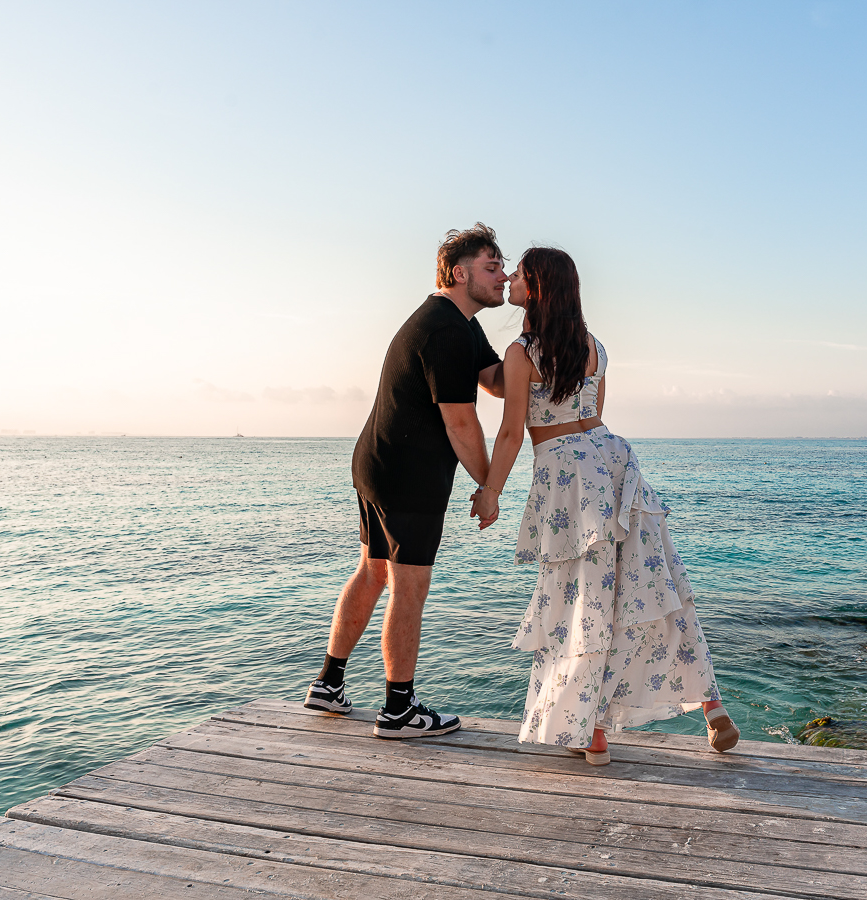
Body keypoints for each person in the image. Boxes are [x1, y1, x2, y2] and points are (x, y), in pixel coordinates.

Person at [472, 247, 738, 764]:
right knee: (652, 583)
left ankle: (591, 732)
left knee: (583, 599)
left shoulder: (522, 351)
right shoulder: (594, 348)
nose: (511, 282)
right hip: (614, 460)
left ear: (540, 288)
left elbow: (510, 431)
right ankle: (711, 702)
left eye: (520, 275)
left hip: (567, 475)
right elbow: (590, 412)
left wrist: (491, 491)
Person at [304, 223, 508, 738]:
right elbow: (462, 423)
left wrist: (538, 343)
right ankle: (398, 710)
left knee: (374, 572)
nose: (503, 277)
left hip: (376, 462)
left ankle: (329, 684)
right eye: (492, 267)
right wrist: (490, 488)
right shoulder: (445, 330)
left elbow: (499, 382)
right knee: (408, 586)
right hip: (407, 475)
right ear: (460, 273)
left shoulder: (457, 322)